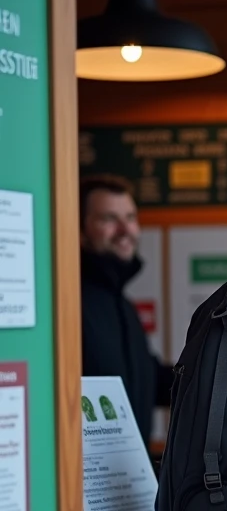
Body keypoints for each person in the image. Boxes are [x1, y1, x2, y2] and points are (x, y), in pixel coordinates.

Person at [79, 174, 173, 449]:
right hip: (85, 483)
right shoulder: (67, 305)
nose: (125, 230)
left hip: (127, 480)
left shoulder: (125, 307)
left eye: (130, 218)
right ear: (80, 230)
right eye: (109, 219)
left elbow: (152, 382)